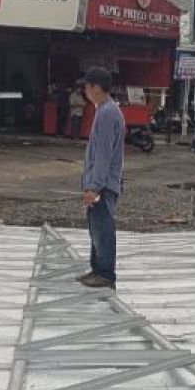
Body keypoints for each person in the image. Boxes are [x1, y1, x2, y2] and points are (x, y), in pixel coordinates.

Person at [77, 67, 124, 289]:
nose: (85, 91)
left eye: (86, 86)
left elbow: (103, 154)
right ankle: (97, 270)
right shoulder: (105, 110)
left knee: (103, 227)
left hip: (103, 184)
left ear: (95, 87)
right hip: (101, 183)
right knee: (96, 227)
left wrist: (94, 186)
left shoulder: (107, 113)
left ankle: (105, 274)